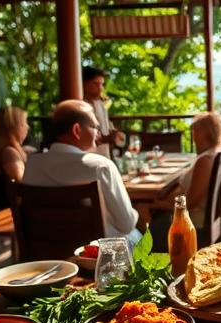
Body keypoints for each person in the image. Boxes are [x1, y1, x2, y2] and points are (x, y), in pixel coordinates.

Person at [23, 100, 140, 241]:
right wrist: (136, 212)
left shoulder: (32, 164)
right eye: (95, 127)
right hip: (95, 257)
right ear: (76, 130)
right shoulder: (101, 167)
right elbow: (126, 224)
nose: (98, 133)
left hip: (46, 254)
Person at [148, 113, 221, 245]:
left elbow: (191, 203)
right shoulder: (218, 153)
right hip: (203, 218)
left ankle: (147, 256)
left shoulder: (205, 161)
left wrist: (158, 204)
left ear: (203, 133)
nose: (193, 136)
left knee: (142, 213)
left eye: (194, 131)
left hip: (193, 225)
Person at [0, 106, 33, 209]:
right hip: (15, 215)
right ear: (14, 127)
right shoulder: (9, 154)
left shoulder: (2, 150)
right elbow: (23, 187)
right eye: (24, 123)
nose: (27, 127)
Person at [82, 65, 125, 158]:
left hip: (104, 157)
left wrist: (114, 133)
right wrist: (107, 138)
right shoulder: (79, 107)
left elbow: (104, 129)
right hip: (88, 159)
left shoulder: (100, 104)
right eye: (95, 84)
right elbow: (82, 138)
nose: (100, 88)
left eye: (101, 84)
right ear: (84, 84)